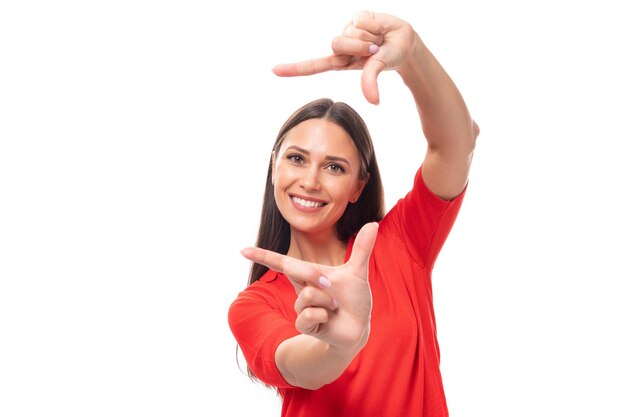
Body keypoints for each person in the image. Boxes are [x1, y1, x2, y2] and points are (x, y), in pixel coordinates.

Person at [228, 10, 479, 417]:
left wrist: (411, 54)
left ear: (358, 185)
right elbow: (298, 366)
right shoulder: (254, 303)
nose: (310, 181)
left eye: (334, 167)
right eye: (296, 158)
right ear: (274, 166)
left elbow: (456, 144)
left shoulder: (399, 245)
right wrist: (340, 344)